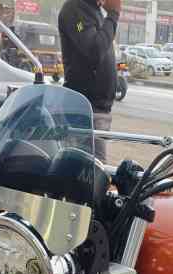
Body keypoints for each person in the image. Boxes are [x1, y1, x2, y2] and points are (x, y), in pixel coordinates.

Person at [58, 0, 120, 161]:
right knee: (91, 173)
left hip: (97, 109)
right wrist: (113, 15)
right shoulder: (75, 9)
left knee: (93, 172)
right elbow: (94, 49)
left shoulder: (94, 10)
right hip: (84, 109)